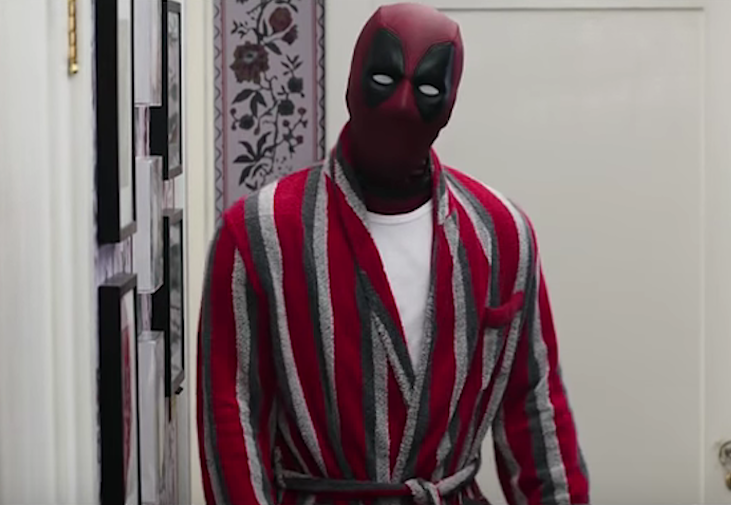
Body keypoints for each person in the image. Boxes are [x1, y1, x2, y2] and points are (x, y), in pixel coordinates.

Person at [197, 3, 590, 505]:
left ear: (449, 104)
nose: (403, 104)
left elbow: (535, 409)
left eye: (427, 88)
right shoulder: (258, 233)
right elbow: (231, 417)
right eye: (384, 78)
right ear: (351, 83)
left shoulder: (502, 235)